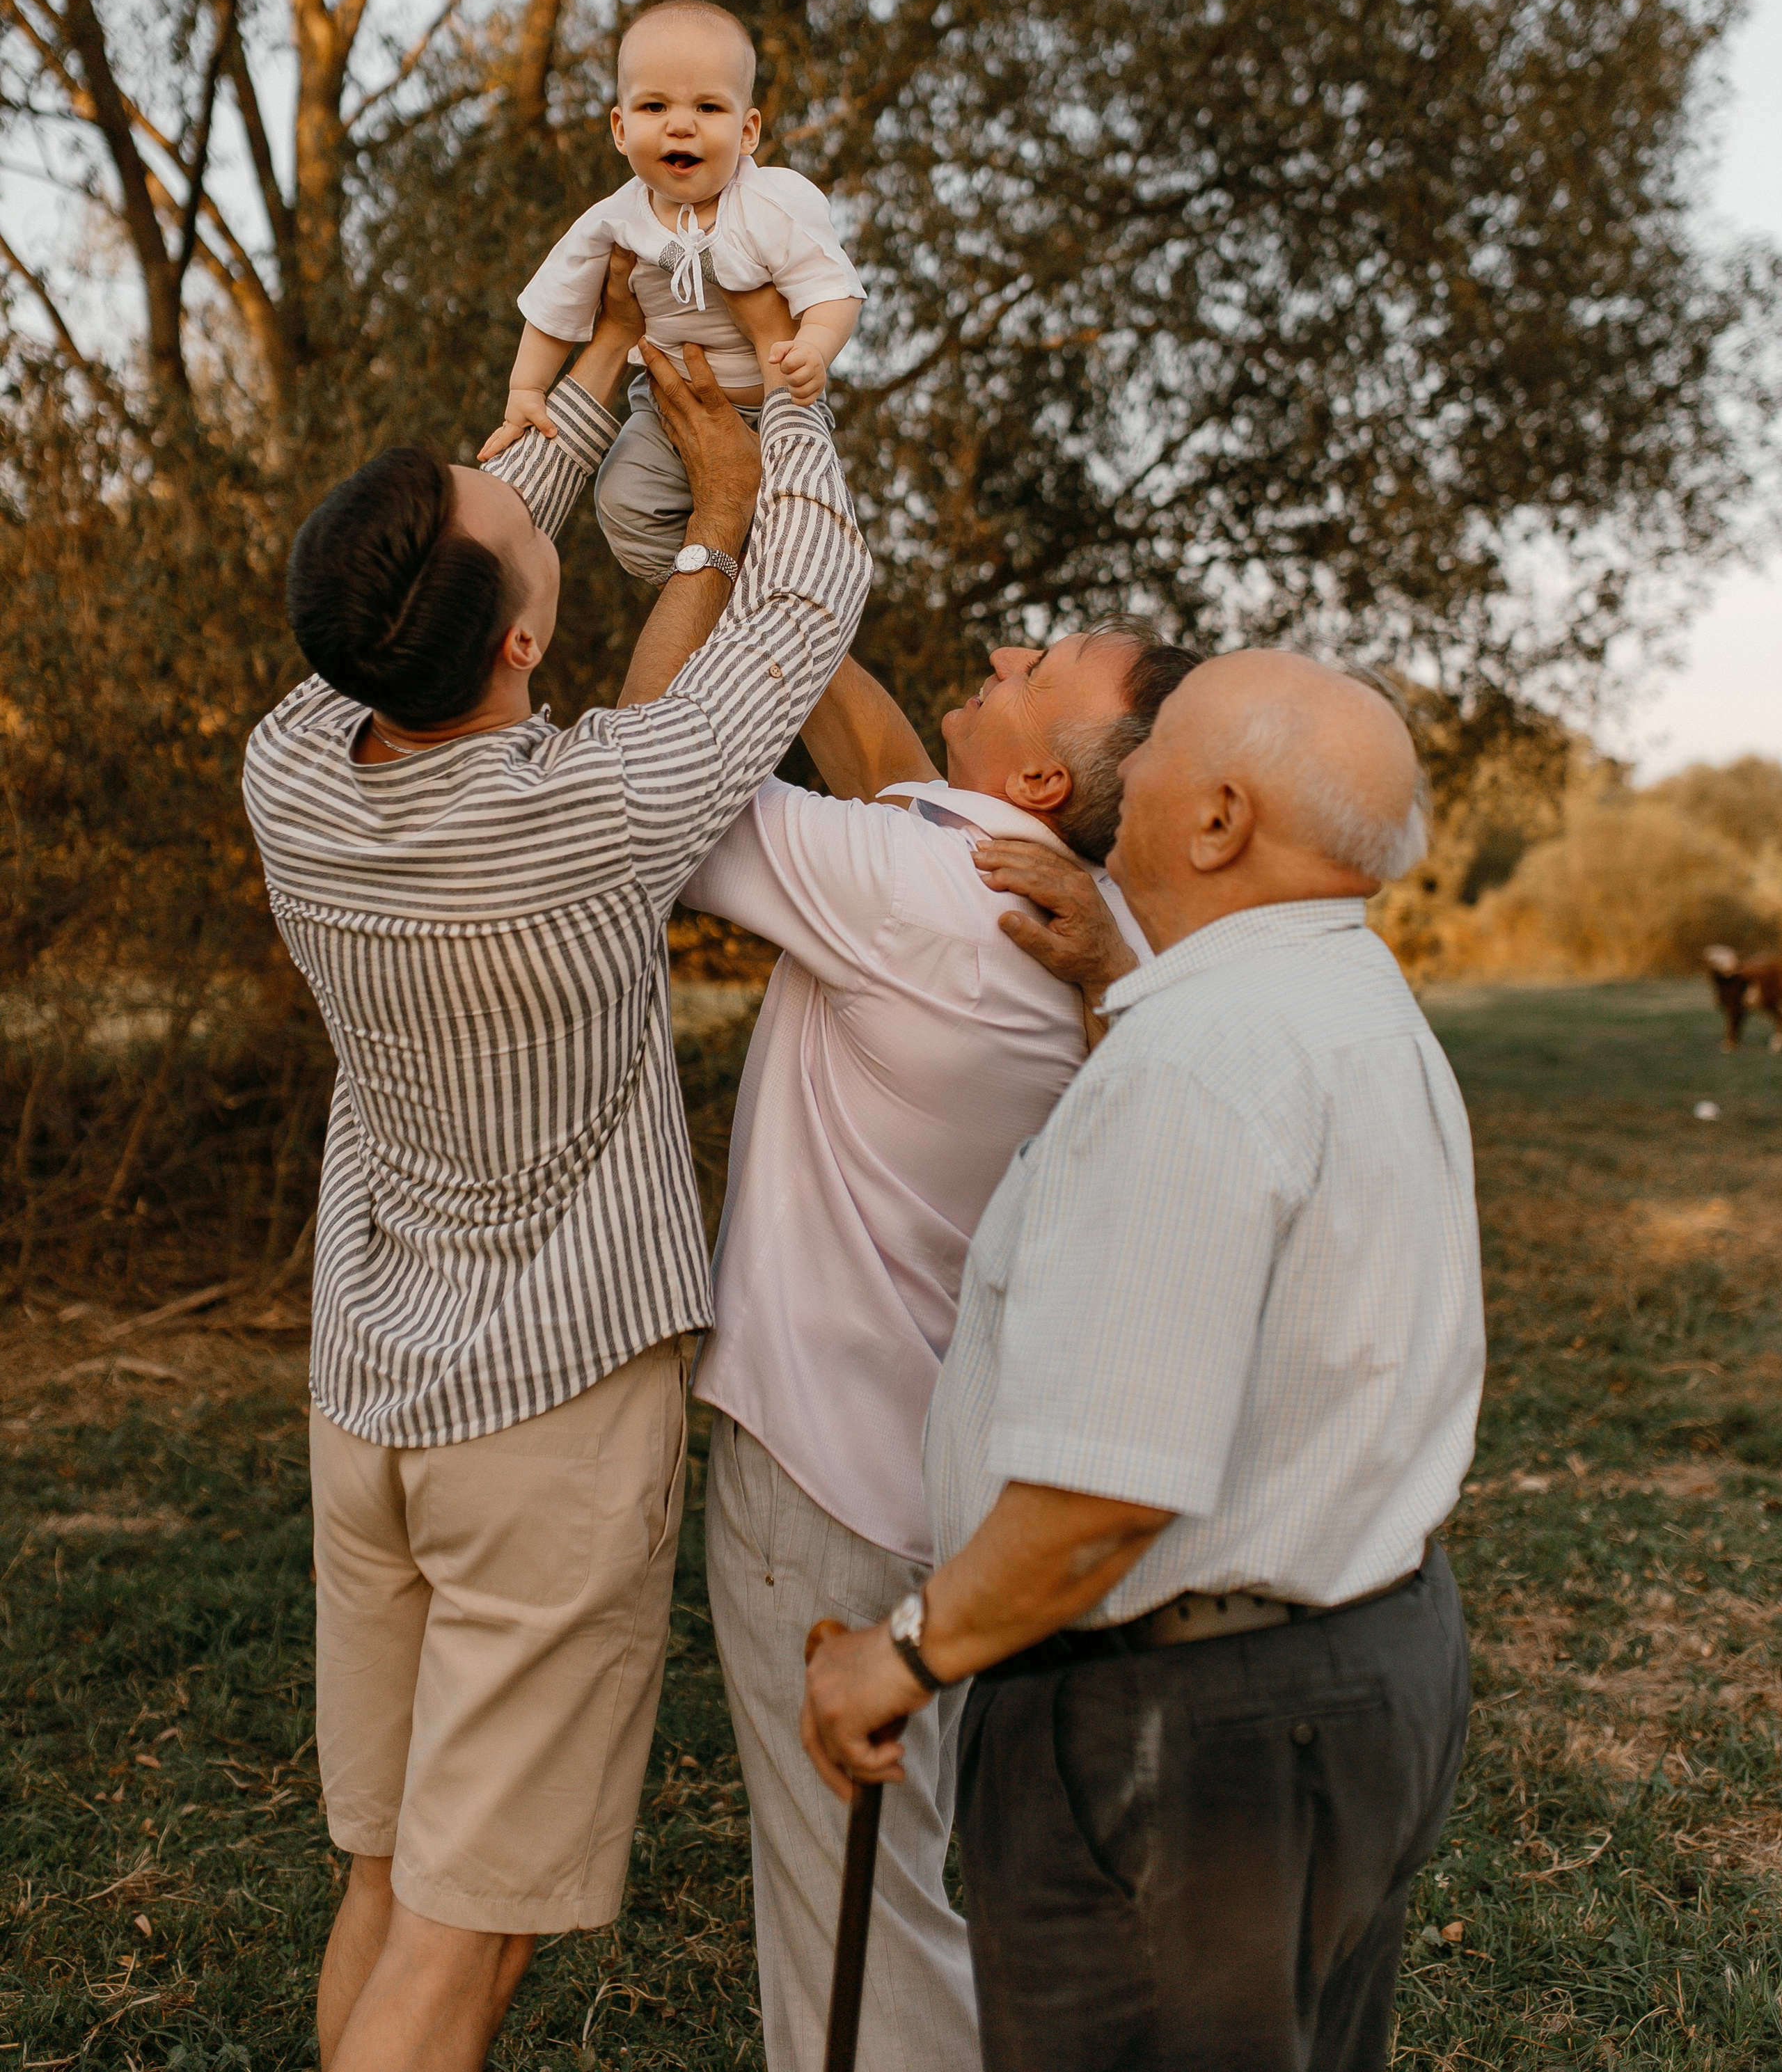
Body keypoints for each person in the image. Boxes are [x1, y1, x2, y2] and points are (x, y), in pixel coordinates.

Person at [242, 285, 869, 2072]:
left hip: (368, 1385)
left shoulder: (295, 760)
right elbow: (807, 612)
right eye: (510, 500)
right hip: (546, 1416)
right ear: (518, 645)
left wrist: (591, 365)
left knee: (386, 1876)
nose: (516, 468)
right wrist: (778, 420)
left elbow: (471, 552)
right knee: (462, 1930)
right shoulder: (596, 810)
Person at [803, 650, 1485, 2072]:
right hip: (1368, 1660)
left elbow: (1100, 1500)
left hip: (1189, 1745)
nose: (1132, 758)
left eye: (1158, 738)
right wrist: (1119, 973)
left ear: (1219, 820)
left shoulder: (1192, 1069)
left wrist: (902, 1657)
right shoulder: (1350, 995)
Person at [677, 626, 1194, 2072]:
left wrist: (720, 561)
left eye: (1042, 662)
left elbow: (661, 780)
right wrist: (790, 613)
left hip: (820, 1481)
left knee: (848, 1918)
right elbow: (884, 765)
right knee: (913, 1872)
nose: (1002, 642)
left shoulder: (913, 883)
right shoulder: (1103, 933)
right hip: (960, 1482)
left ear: (1037, 776)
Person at [480, 0, 863, 579]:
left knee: (802, 523)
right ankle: (719, 589)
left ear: (748, 131)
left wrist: (815, 346)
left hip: (773, 408)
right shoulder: (614, 219)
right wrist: (527, 387)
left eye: (708, 107)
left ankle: (777, 581)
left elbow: (833, 288)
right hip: (661, 410)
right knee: (623, 502)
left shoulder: (771, 204)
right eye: (654, 106)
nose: (679, 125)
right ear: (620, 128)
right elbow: (555, 304)